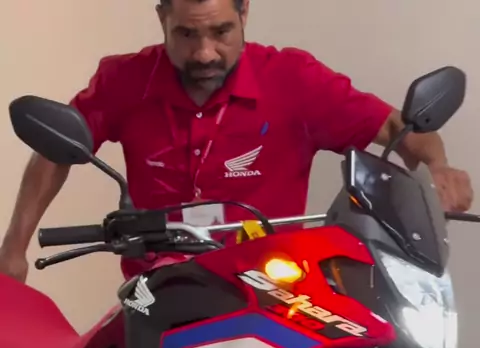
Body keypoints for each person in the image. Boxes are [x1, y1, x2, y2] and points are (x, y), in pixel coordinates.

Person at [0, 0, 474, 284]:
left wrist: (439, 168)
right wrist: (14, 250)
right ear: (162, 18)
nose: (204, 52)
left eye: (220, 31)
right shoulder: (125, 80)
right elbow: (55, 148)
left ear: (245, 12)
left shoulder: (293, 80)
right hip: (159, 292)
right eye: (186, 34)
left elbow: (402, 131)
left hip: (275, 290)